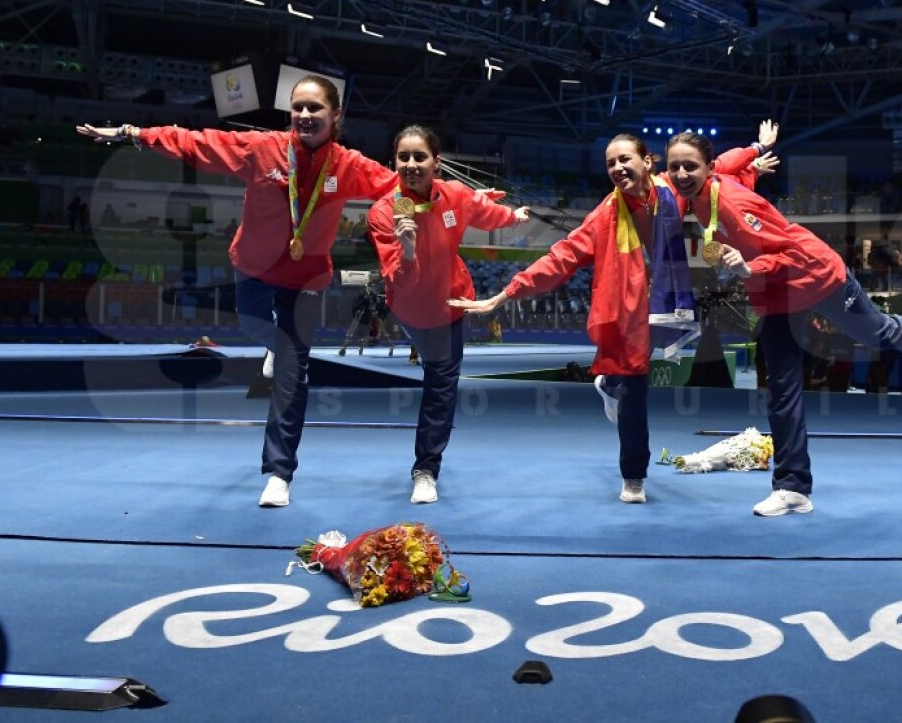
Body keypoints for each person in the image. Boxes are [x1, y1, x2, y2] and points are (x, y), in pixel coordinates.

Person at [76, 74, 399, 508]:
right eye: (298, 107)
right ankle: (273, 346)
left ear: (335, 115)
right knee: (253, 322)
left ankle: (279, 473)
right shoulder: (261, 149)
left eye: (314, 108)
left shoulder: (349, 166)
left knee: (292, 370)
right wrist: (132, 133)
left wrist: (468, 201)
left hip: (305, 280)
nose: (304, 115)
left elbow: (407, 185)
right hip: (254, 268)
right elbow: (194, 142)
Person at [662, 128, 902, 517]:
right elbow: (730, 162)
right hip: (778, 297)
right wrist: (755, 151)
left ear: (707, 170)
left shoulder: (729, 204)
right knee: (782, 389)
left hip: (815, 275)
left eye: (688, 167)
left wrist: (748, 266)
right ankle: (792, 487)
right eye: (673, 166)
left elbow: (787, 253)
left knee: (878, 332)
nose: (679, 174)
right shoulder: (703, 186)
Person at [448, 133, 764, 503]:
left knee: (626, 379)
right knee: (634, 389)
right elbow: (562, 257)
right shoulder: (605, 214)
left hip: (664, 302)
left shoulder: (671, 189)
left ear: (648, 162)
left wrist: (754, 153)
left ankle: (608, 385)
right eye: (610, 163)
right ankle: (634, 476)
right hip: (623, 311)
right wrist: (507, 293)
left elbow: (720, 164)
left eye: (625, 159)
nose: (617, 168)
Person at [368, 125, 530, 504]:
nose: (410, 164)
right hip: (410, 308)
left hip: (453, 306)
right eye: (403, 157)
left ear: (435, 162)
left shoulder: (454, 194)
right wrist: (407, 251)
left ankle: (426, 469)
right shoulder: (384, 212)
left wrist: (514, 216)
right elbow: (398, 279)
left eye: (419, 157)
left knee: (440, 386)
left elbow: (484, 211)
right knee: (436, 373)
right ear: (394, 162)